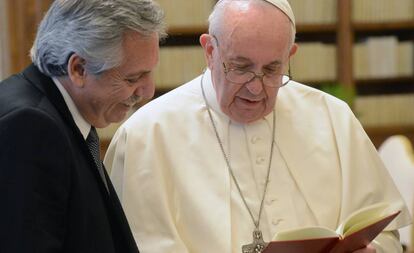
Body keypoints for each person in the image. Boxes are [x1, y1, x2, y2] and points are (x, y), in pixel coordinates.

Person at [104, 0, 411, 252]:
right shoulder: (147, 135)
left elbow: (387, 237)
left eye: (272, 69)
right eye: (241, 67)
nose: (256, 87)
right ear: (210, 51)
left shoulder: (332, 118)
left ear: (290, 56)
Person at [0, 0, 165, 252]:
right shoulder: (30, 127)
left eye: (150, 73)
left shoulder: (58, 113)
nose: (148, 91)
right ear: (78, 69)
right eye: (132, 78)